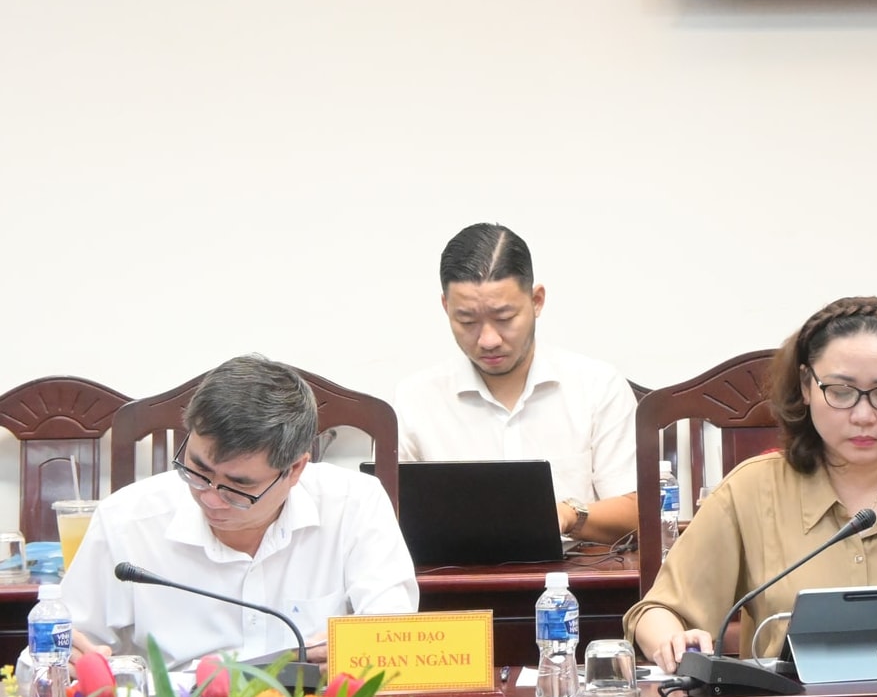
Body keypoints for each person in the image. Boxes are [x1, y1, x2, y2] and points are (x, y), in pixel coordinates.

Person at [626, 296, 877, 672]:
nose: (863, 415)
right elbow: (657, 613)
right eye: (841, 392)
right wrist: (672, 639)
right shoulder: (751, 491)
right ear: (806, 386)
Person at [61, 354, 417, 670]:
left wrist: (354, 653)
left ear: (295, 469)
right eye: (197, 471)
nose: (211, 499)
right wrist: (67, 653)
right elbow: (63, 643)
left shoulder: (354, 504)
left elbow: (393, 634)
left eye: (238, 487)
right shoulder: (126, 520)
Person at [393, 223, 639, 545]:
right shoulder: (416, 399)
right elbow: (385, 518)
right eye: (467, 321)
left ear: (536, 301)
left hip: (577, 572)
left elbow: (638, 511)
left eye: (504, 318)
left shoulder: (597, 386)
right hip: (455, 574)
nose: (488, 340)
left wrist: (566, 515)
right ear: (446, 308)